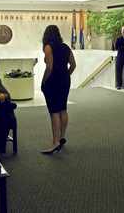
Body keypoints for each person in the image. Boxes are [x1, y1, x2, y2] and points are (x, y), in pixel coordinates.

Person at [41, 25, 76, 154]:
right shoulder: (66, 47)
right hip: (64, 80)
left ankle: (55, 142)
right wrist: (66, 75)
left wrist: (43, 81)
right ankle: (62, 137)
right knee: (63, 109)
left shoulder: (48, 47)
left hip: (53, 81)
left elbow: (49, 67)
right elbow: (73, 65)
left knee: (54, 111)